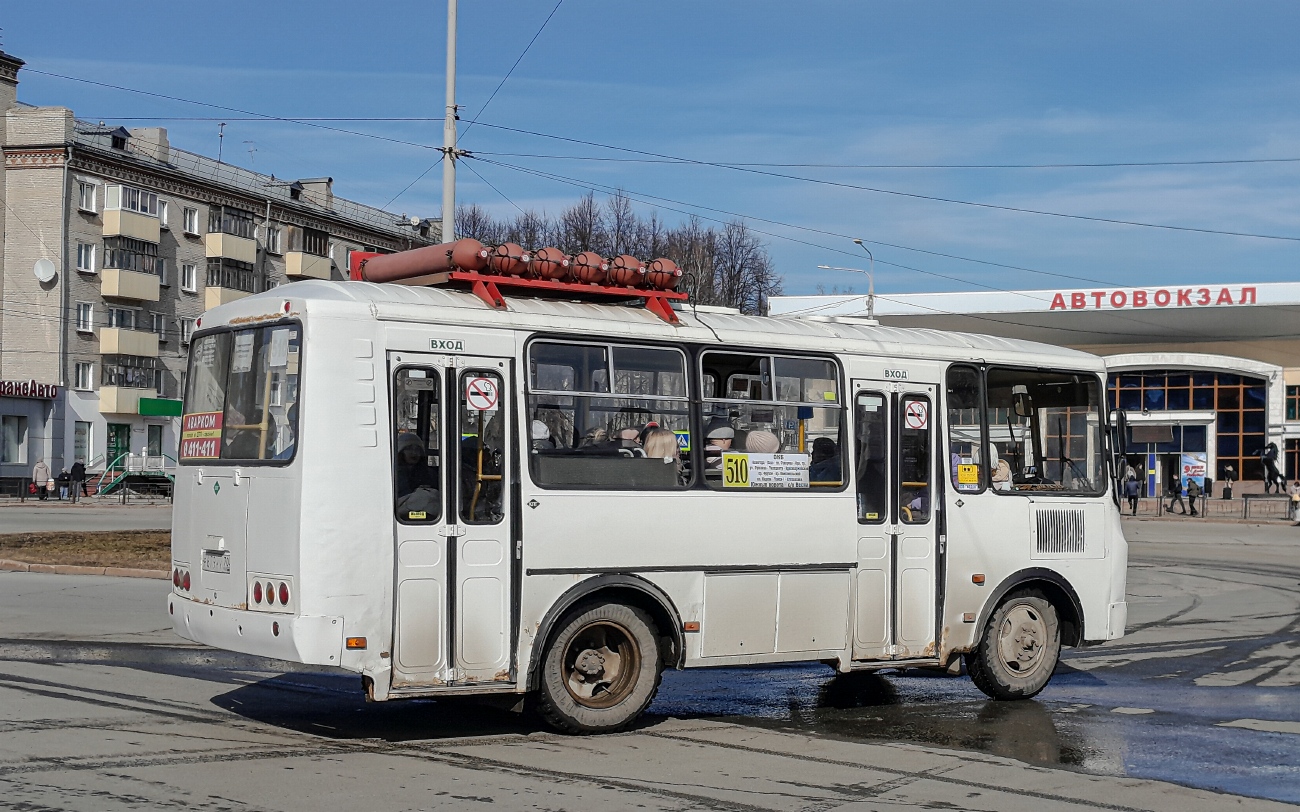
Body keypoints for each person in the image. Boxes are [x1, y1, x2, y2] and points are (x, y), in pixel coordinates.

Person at [394, 432, 439, 520]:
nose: (414, 453)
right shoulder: (393, 473)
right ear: (400, 451)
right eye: (409, 449)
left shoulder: (429, 472)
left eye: (417, 449)